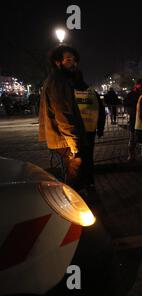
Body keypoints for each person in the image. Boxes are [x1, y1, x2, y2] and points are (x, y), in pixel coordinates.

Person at [38, 45, 87, 191]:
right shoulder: (59, 81)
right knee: (73, 182)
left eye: (74, 60)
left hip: (61, 141)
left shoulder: (55, 79)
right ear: (57, 62)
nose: (74, 63)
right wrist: (75, 147)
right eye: (68, 60)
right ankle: (73, 210)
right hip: (65, 142)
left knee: (70, 179)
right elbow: (63, 116)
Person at [73, 69, 106, 188]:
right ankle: (90, 182)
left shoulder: (70, 92)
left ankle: (78, 184)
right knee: (88, 157)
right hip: (90, 131)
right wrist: (100, 129)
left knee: (76, 158)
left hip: (74, 132)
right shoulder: (93, 93)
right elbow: (102, 112)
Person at [123, 79, 142, 161]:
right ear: (138, 85)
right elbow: (125, 103)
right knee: (133, 138)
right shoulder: (132, 94)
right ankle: (131, 155)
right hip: (134, 119)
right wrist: (131, 110)